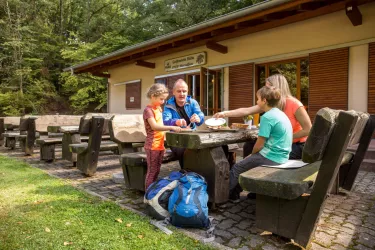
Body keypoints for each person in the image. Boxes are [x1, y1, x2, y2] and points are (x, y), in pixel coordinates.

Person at [214, 74, 311, 160]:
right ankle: (247, 173)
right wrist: (225, 113)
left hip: (296, 145)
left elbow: (308, 130)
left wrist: (285, 137)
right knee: (249, 145)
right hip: (277, 143)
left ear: (276, 88)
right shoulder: (270, 103)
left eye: (267, 87)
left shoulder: (295, 104)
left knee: (261, 155)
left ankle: (253, 173)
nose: (265, 89)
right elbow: (247, 110)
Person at [228, 86, 293, 202]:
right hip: (282, 156)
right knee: (245, 165)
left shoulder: (267, 117)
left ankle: (225, 196)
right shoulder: (280, 113)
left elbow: (259, 145)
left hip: (272, 157)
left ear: (264, 100)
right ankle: (235, 194)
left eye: (258, 99)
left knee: (237, 167)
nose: (256, 102)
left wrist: (251, 155)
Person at [143, 83, 182, 190]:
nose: (163, 102)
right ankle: (148, 195)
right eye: (161, 99)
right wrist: (172, 127)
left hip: (159, 145)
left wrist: (175, 123)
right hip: (152, 146)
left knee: (157, 170)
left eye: (164, 99)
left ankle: (153, 192)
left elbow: (162, 124)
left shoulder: (158, 108)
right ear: (152, 96)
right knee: (152, 171)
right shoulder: (148, 110)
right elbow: (155, 127)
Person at [163, 79, 205, 168]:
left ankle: (197, 174)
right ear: (173, 92)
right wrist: (176, 122)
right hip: (176, 138)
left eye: (184, 91)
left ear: (187, 92)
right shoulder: (168, 105)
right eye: (179, 91)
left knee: (206, 147)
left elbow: (200, 115)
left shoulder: (193, 102)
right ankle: (186, 172)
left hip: (192, 135)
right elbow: (165, 121)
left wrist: (198, 118)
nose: (182, 94)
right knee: (184, 150)